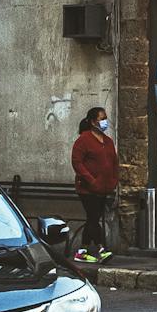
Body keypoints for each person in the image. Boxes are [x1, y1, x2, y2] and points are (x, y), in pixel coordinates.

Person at [71, 106, 118, 262]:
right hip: (87, 188)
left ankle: (82, 251)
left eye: (105, 118)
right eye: (101, 119)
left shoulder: (108, 142)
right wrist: (91, 179)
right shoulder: (83, 140)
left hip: (104, 188)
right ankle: (101, 249)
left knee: (92, 219)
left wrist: (113, 181)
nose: (104, 121)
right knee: (93, 217)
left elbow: (114, 163)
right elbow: (77, 163)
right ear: (92, 122)